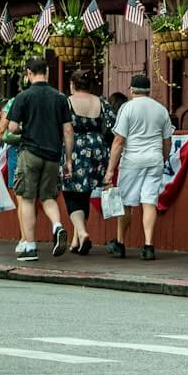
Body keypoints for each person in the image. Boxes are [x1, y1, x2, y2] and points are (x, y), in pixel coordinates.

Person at [0, 57, 74, 262]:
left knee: (28, 198)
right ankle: (57, 226)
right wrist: (68, 160)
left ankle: (30, 246)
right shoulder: (60, 98)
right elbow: (68, 130)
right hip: (53, 155)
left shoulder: (23, 97)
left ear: (29, 73)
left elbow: (12, 128)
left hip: (30, 153)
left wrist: (24, 128)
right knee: (48, 197)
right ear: (46, 72)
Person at [104, 73, 175, 260]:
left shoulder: (127, 108)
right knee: (149, 201)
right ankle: (149, 245)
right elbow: (167, 140)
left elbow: (119, 140)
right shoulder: (161, 110)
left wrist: (110, 169)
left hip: (132, 160)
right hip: (155, 159)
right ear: (148, 90)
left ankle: (120, 243)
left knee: (126, 202)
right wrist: (164, 158)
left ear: (132, 90)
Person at [62, 69, 114, 257]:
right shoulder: (102, 102)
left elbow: (64, 128)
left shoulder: (66, 102)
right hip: (97, 148)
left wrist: (67, 157)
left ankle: (83, 233)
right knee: (85, 192)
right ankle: (76, 240)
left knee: (71, 193)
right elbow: (112, 126)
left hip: (75, 148)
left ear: (72, 85)